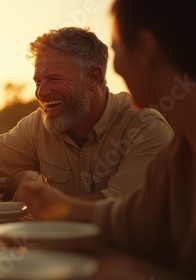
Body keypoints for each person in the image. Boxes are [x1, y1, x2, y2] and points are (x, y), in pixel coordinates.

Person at [14, 0, 196, 278]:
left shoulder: (152, 129)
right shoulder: (181, 153)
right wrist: (59, 206)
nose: (115, 64)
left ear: (145, 47)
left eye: (115, 46)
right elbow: (133, 219)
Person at [0, 27, 173, 200]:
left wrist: (50, 205)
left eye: (54, 79)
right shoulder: (38, 125)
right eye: (38, 81)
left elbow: (119, 205)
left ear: (93, 78)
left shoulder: (145, 127)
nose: (42, 92)